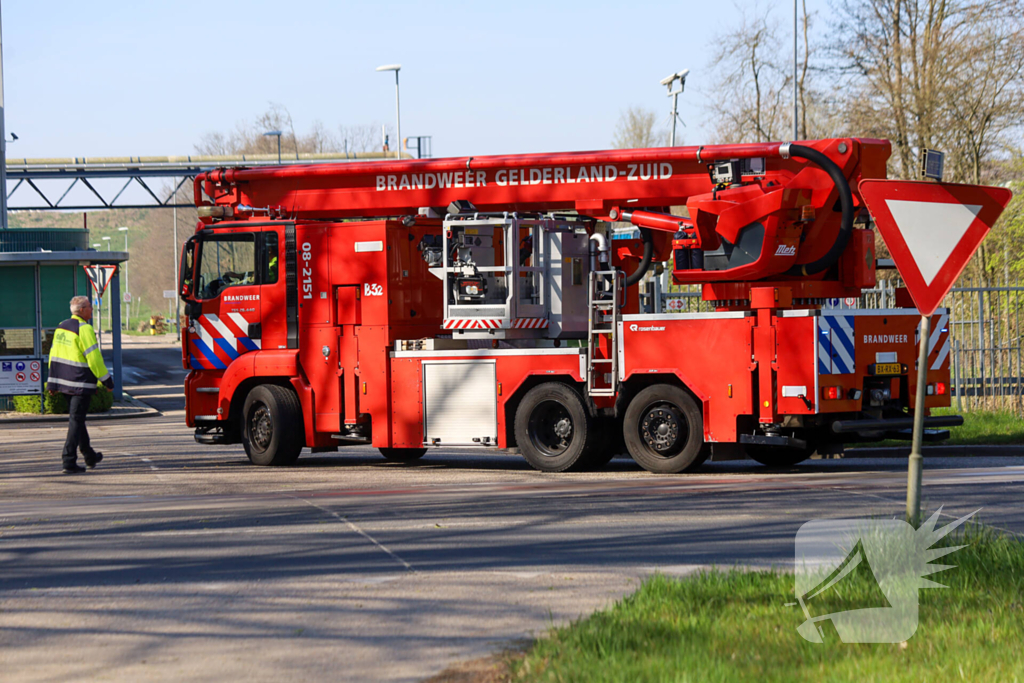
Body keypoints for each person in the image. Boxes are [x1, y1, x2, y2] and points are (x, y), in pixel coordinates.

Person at [48, 295, 113, 474]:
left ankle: (89, 455)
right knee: (76, 420)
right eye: (90, 307)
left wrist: (52, 383)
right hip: (80, 382)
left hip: (64, 382)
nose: (92, 310)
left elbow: (53, 354)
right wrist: (107, 380)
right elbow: (94, 358)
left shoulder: (62, 327)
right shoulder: (84, 329)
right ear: (82, 310)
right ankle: (68, 461)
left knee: (78, 419)